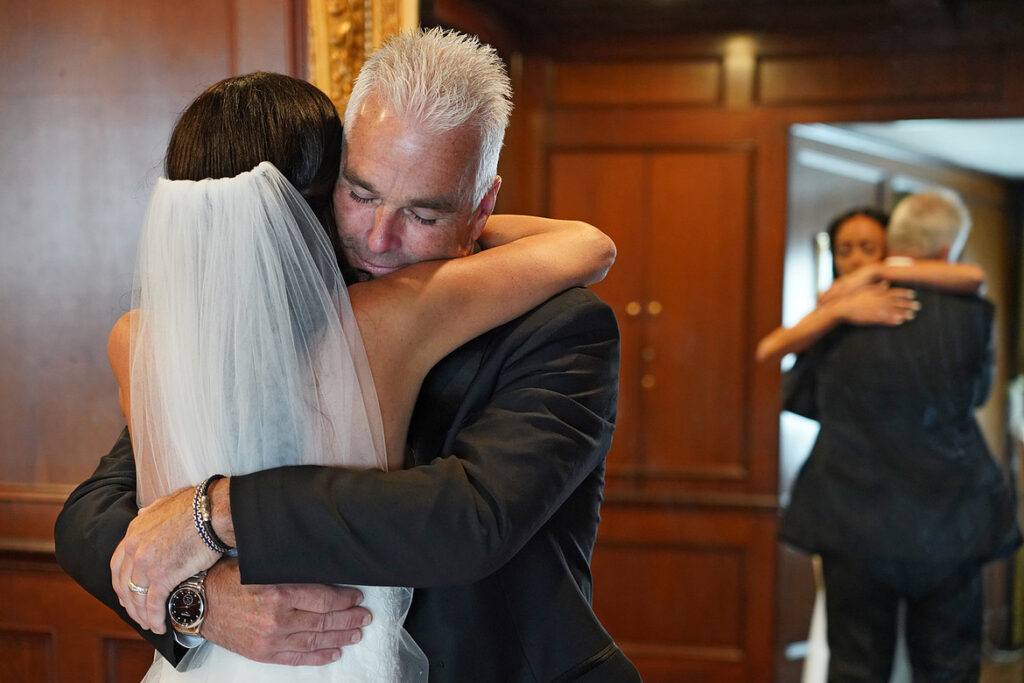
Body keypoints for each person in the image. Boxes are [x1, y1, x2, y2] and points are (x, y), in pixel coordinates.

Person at [55, 28, 642, 682]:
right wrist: (194, 603)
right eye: (359, 193)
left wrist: (215, 514)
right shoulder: (255, 326)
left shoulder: (563, 326)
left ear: (481, 208)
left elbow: (468, 520)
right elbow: (93, 513)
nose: (379, 238)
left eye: (423, 212)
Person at [777, 190, 1022, 681]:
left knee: (855, 664)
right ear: (947, 249)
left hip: (851, 511)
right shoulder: (971, 314)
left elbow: (798, 395)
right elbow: (974, 394)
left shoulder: (843, 309)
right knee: (948, 664)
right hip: (950, 516)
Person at [755, 207, 985, 366]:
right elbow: (768, 351)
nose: (855, 260)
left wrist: (877, 270)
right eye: (844, 251)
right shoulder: (834, 302)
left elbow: (973, 276)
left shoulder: (906, 284)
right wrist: (839, 311)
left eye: (867, 248)